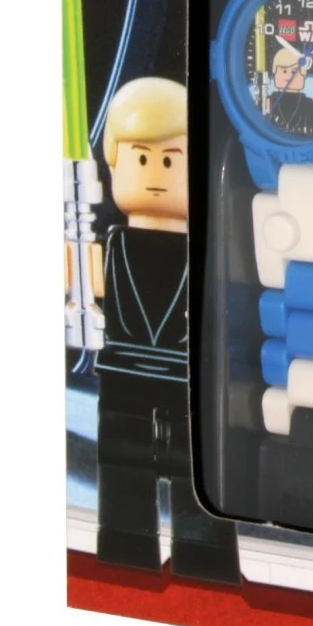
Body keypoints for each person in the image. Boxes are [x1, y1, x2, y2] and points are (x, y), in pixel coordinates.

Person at [94, 76, 238, 581]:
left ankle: (204, 555)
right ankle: (124, 548)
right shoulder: (111, 249)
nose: (155, 174)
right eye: (140, 159)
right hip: (123, 378)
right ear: (114, 166)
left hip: (185, 382)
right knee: (121, 464)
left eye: (171, 161)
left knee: (192, 465)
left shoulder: (205, 255)